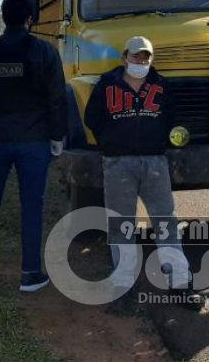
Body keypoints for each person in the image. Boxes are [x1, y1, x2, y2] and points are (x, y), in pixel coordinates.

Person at [84, 36, 202, 310]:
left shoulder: (161, 86)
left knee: (166, 222)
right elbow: (92, 118)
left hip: (154, 163)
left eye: (146, 57)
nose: (141, 61)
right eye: (137, 56)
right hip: (117, 163)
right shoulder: (107, 84)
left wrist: (161, 142)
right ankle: (123, 287)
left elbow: (173, 119)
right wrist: (110, 143)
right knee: (121, 225)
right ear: (125, 56)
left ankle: (180, 284)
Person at [0, 0, 67, 294]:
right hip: (33, 143)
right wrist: (57, 136)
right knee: (32, 207)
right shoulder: (44, 52)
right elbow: (56, 98)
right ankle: (30, 273)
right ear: (30, 19)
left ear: (5, 17)